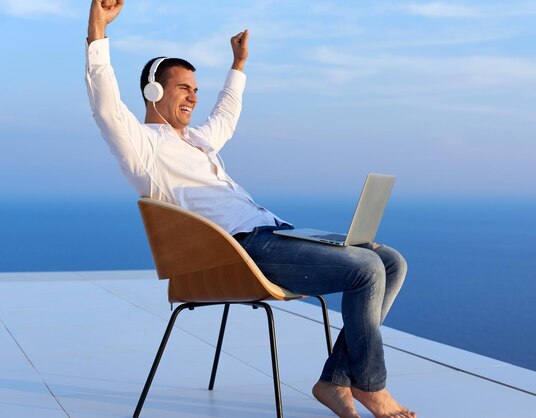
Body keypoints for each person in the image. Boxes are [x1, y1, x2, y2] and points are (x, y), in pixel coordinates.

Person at [86, 1, 416, 417]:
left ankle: (335, 381)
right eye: (183, 87)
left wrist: (238, 65)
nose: (193, 96)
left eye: (195, 88)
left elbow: (226, 115)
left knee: (389, 261)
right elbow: (104, 105)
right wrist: (98, 28)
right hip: (242, 251)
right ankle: (370, 386)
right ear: (154, 91)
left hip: (274, 233)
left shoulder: (198, 142)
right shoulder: (144, 148)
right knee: (365, 269)